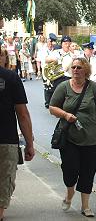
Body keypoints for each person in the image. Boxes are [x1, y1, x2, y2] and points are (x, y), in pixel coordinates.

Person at [49, 57, 96, 217]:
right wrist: (65, 114)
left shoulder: (94, 87)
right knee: (70, 170)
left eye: (79, 67)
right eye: (74, 67)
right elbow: (52, 107)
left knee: (88, 172)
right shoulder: (63, 87)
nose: (75, 70)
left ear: (86, 70)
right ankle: (69, 193)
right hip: (69, 137)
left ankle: (85, 206)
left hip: (91, 137)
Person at [0, 64, 35, 221]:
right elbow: (22, 114)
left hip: (6, 140)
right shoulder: (11, 77)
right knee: (4, 183)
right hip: (6, 140)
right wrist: (29, 144)